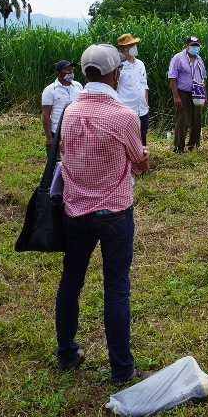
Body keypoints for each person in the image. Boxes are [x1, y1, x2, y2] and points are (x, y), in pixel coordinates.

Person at [55, 44, 152, 384]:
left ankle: (66, 353)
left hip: (74, 209)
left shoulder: (69, 111)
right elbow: (139, 164)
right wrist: (143, 157)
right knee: (116, 287)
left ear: (84, 73)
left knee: (71, 281)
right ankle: (122, 368)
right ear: (116, 74)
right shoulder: (123, 116)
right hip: (114, 213)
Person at [167, 36, 207, 153]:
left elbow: (203, 78)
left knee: (197, 119)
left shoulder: (199, 59)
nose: (195, 48)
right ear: (186, 46)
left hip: (198, 92)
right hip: (183, 93)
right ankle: (179, 147)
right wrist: (176, 96)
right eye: (192, 45)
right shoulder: (178, 58)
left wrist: (205, 96)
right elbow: (172, 77)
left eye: (196, 46)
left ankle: (193, 145)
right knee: (182, 120)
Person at [116, 33, 150, 145]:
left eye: (135, 44)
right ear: (124, 49)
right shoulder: (118, 66)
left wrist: (146, 105)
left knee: (142, 140)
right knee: (128, 142)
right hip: (127, 111)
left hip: (143, 110)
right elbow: (115, 89)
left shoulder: (140, 64)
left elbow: (144, 86)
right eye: (131, 45)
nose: (135, 47)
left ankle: (142, 161)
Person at [41, 61, 83, 154]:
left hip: (76, 130)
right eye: (68, 70)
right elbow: (46, 114)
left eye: (72, 69)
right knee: (57, 162)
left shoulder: (78, 86)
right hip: (58, 131)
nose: (71, 72)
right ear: (58, 73)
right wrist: (49, 137)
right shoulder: (50, 90)